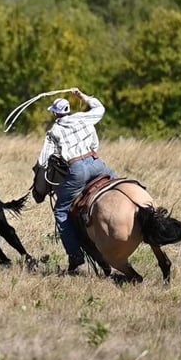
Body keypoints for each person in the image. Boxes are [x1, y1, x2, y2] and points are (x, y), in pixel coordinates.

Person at [37, 87, 117, 274]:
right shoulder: (82, 117)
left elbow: (43, 161)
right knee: (119, 184)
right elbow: (100, 108)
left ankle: (75, 255)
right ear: (68, 110)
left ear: (56, 113)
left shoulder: (53, 131)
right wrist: (82, 96)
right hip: (97, 163)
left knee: (61, 211)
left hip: (77, 170)